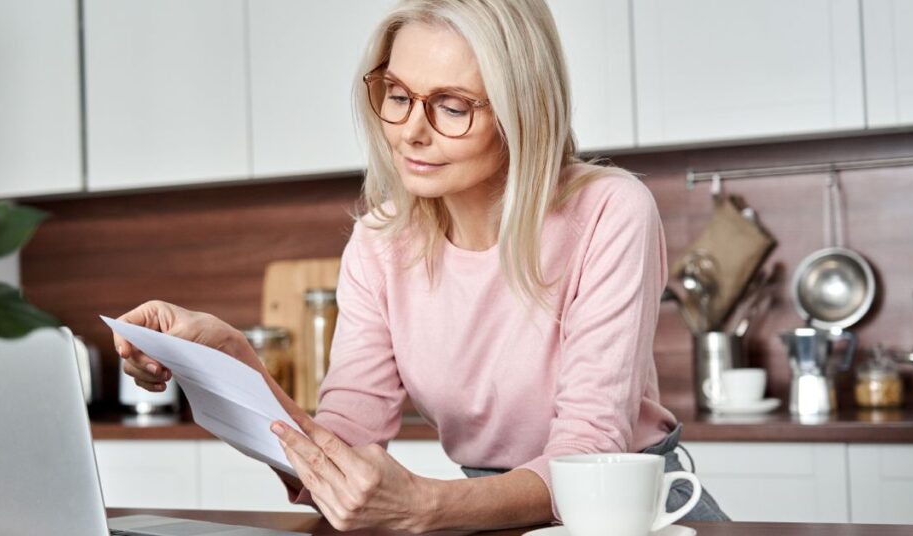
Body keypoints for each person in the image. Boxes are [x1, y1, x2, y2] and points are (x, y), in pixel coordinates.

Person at [114, 0, 729, 531]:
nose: (410, 131)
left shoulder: (610, 210)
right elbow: (344, 448)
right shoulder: (382, 241)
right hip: (483, 516)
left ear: (522, 113)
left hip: (632, 516)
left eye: (452, 106)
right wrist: (232, 361)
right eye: (398, 96)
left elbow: (589, 453)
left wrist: (429, 508)